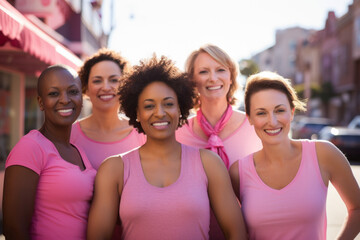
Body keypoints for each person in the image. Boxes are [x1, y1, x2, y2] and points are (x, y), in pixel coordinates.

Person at [87, 55, 247, 240]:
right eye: (149, 106)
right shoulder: (114, 169)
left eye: (169, 104)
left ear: (180, 109)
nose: (160, 113)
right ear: (137, 113)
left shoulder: (209, 164)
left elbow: (237, 233)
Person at [229, 71, 360, 240]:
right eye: (261, 113)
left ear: (291, 112)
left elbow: (357, 208)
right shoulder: (238, 172)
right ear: (250, 118)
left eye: (279, 110)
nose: (273, 121)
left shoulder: (324, 154)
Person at [176, 43, 262, 239]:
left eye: (220, 70)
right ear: (192, 81)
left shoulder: (254, 127)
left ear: (231, 76)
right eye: (204, 71)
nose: (213, 78)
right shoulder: (178, 131)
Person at [3, 65, 96, 240]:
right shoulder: (30, 147)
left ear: (81, 99)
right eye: (54, 94)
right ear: (40, 102)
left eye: (72, 92)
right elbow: (13, 229)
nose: (64, 100)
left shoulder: (79, 150)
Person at [70, 48, 146, 170]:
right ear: (86, 88)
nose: (105, 87)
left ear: (125, 86)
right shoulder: (70, 135)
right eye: (97, 81)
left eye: (114, 80)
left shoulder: (142, 132)